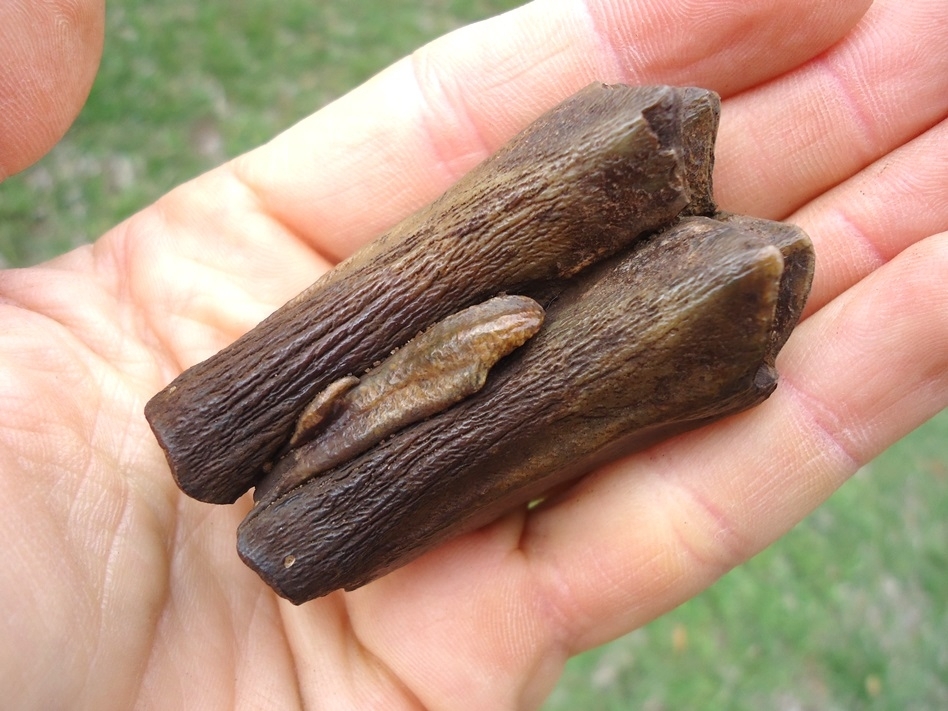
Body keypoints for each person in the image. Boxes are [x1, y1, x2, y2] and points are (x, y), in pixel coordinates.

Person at [1, 0, 945, 707]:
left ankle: (257, 473)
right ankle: (242, 457)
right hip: (318, 491)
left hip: (356, 491)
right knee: (253, 442)